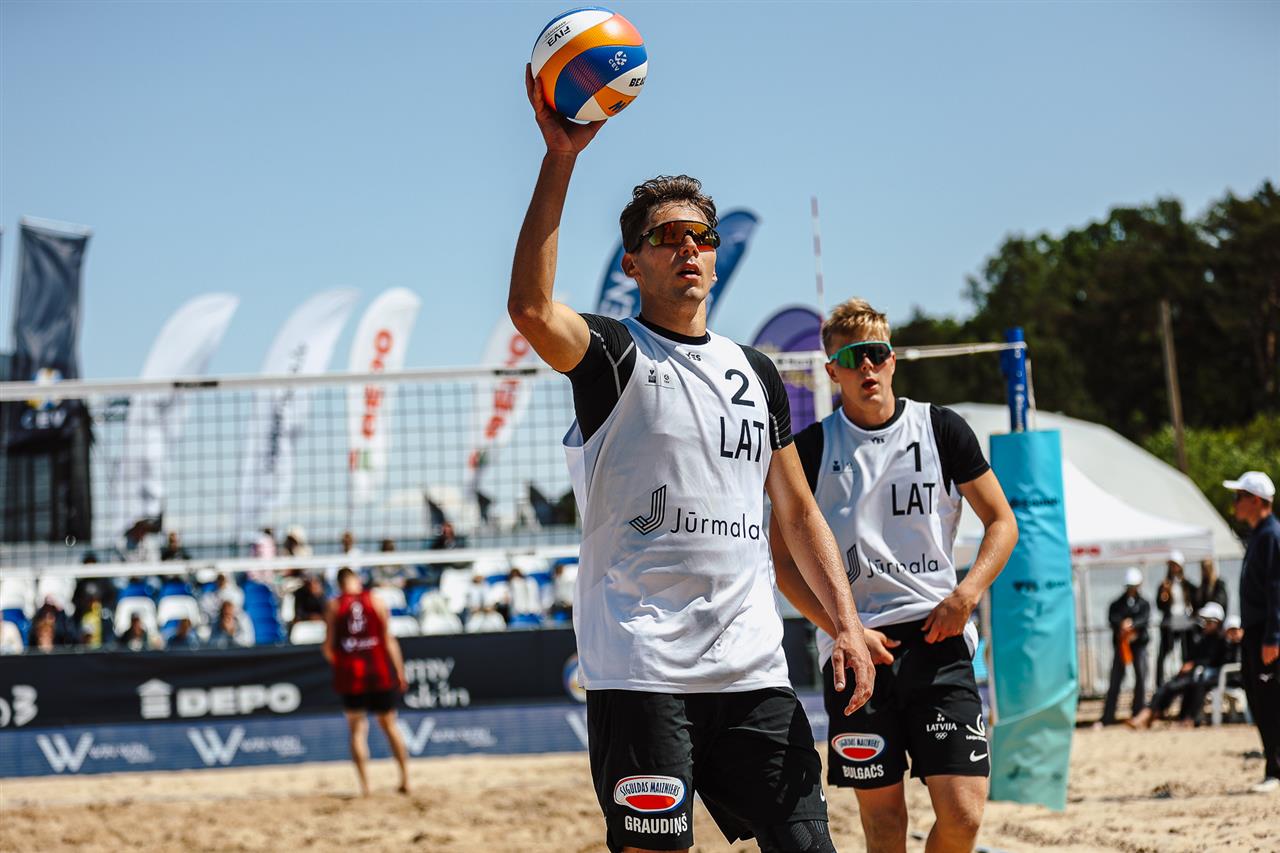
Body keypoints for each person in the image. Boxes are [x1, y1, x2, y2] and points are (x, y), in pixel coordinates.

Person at [507, 67, 874, 853]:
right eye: (666, 238)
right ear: (632, 264)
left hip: (751, 667)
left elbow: (798, 511)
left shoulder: (757, 371)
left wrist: (846, 623)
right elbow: (531, 309)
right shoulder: (613, 354)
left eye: (700, 237)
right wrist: (561, 158)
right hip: (641, 665)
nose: (688, 249)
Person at [770, 298, 1018, 853]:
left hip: (939, 636)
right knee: (884, 826)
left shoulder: (940, 428)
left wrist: (967, 594)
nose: (866, 366)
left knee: (964, 814)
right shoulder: (810, 448)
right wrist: (842, 628)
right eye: (851, 357)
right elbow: (782, 563)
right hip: (857, 648)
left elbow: (1003, 522)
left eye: (876, 354)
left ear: (892, 360)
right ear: (831, 371)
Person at [323, 567, 411, 797]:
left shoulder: (334, 605)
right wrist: (399, 671)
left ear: (339, 584)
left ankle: (365, 787)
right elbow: (388, 640)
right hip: (378, 671)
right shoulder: (376, 600)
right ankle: (405, 779)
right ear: (357, 581)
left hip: (352, 674)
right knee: (389, 725)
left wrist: (342, 664)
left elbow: (328, 647)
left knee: (357, 729)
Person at [1224, 470, 1279, 794]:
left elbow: (1276, 590)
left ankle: (1276, 768)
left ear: (1256, 500)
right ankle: (1273, 764)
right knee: (1259, 700)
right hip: (1255, 631)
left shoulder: (1270, 535)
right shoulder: (1260, 535)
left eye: (1239, 497)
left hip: (1266, 634)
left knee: (1270, 701)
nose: (1235, 503)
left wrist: (1273, 636)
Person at [1128, 602, 1228, 728]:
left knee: (1181, 685)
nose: (1205, 624)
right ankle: (1150, 714)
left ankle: (1158, 715)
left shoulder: (1222, 640)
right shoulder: (1204, 638)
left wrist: (1194, 664)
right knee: (1168, 686)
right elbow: (1195, 656)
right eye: (1205, 621)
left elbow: (1214, 661)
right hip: (1196, 673)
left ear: (1217, 622)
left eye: (1208, 621)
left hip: (1208, 676)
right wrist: (1191, 665)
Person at [1098, 567, 1152, 727]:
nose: (1131, 589)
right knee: (1115, 679)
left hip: (1139, 646)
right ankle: (1108, 715)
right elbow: (1112, 618)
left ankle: (1138, 712)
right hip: (1122, 646)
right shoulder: (1117, 604)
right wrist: (1122, 625)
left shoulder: (1144, 604)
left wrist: (1133, 624)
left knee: (1141, 677)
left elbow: (1145, 619)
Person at [1155, 551, 1197, 687]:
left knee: (1186, 654)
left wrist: (1193, 614)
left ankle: (1187, 682)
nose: (1173, 568)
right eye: (1171, 565)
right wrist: (1163, 595)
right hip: (1170, 623)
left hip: (1185, 622)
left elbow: (1196, 598)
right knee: (1163, 654)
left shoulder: (1186, 584)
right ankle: (1159, 685)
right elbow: (1159, 605)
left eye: (1175, 565)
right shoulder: (1164, 584)